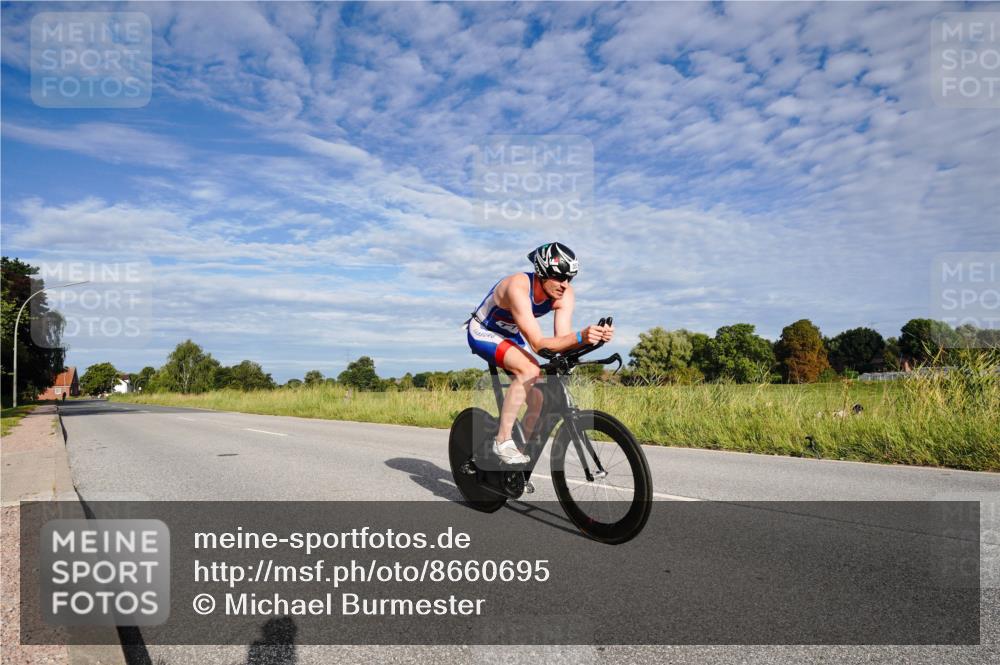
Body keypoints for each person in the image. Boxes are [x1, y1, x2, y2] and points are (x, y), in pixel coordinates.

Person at [465, 242, 614, 464]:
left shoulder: (564, 295)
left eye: (569, 278)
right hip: (483, 330)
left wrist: (593, 340)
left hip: (511, 334)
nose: (564, 284)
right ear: (541, 272)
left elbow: (560, 340)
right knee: (529, 369)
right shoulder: (518, 286)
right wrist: (581, 336)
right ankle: (502, 440)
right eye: (558, 277)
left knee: (539, 399)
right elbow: (537, 344)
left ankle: (517, 457)